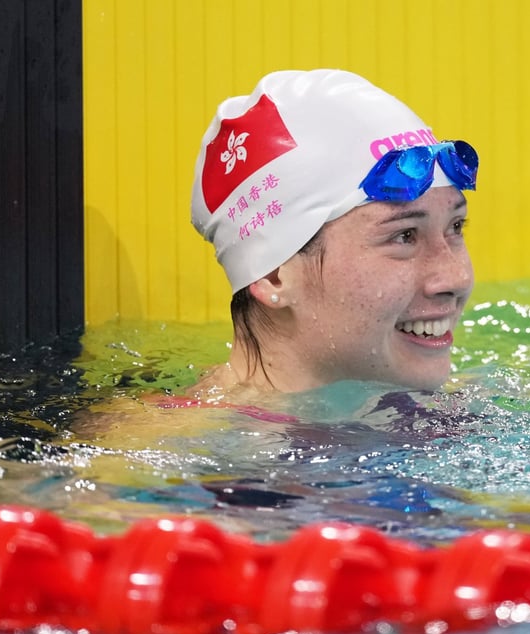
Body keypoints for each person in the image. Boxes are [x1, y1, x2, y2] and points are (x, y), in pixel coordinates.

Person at [187, 69, 479, 399]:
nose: (457, 279)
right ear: (273, 275)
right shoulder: (161, 446)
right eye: (405, 236)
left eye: (455, 227)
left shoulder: (476, 414)